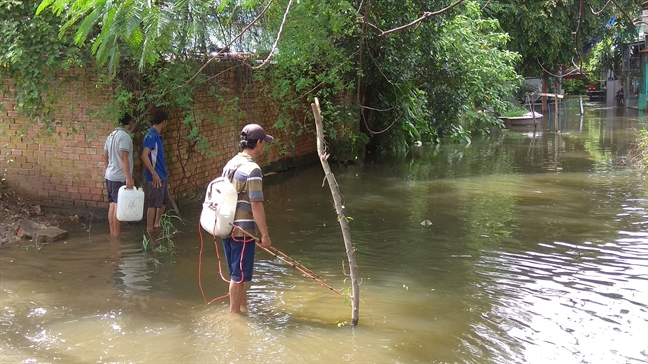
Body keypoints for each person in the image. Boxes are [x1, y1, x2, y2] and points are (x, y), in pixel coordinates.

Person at [221, 123, 273, 314]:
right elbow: (256, 204)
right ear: (258, 143)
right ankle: (235, 317)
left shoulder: (231, 163)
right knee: (237, 276)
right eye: (264, 142)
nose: (264, 146)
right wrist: (265, 235)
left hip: (226, 227)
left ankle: (244, 310)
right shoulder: (253, 170)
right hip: (242, 231)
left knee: (238, 274)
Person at [103, 113, 135, 237]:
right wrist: (128, 178)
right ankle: (117, 236)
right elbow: (123, 157)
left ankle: (112, 234)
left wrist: (108, 170)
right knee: (118, 206)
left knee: (112, 205)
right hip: (119, 178)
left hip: (109, 176)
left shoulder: (111, 135)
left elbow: (105, 156)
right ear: (130, 123)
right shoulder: (124, 137)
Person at [141, 108, 170, 233]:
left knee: (164, 201)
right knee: (153, 203)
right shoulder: (151, 136)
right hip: (156, 177)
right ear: (163, 122)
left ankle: (157, 224)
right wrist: (154, 174)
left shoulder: (157, 136)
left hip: (162, 175)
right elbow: (144, 155)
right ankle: (149, 229)